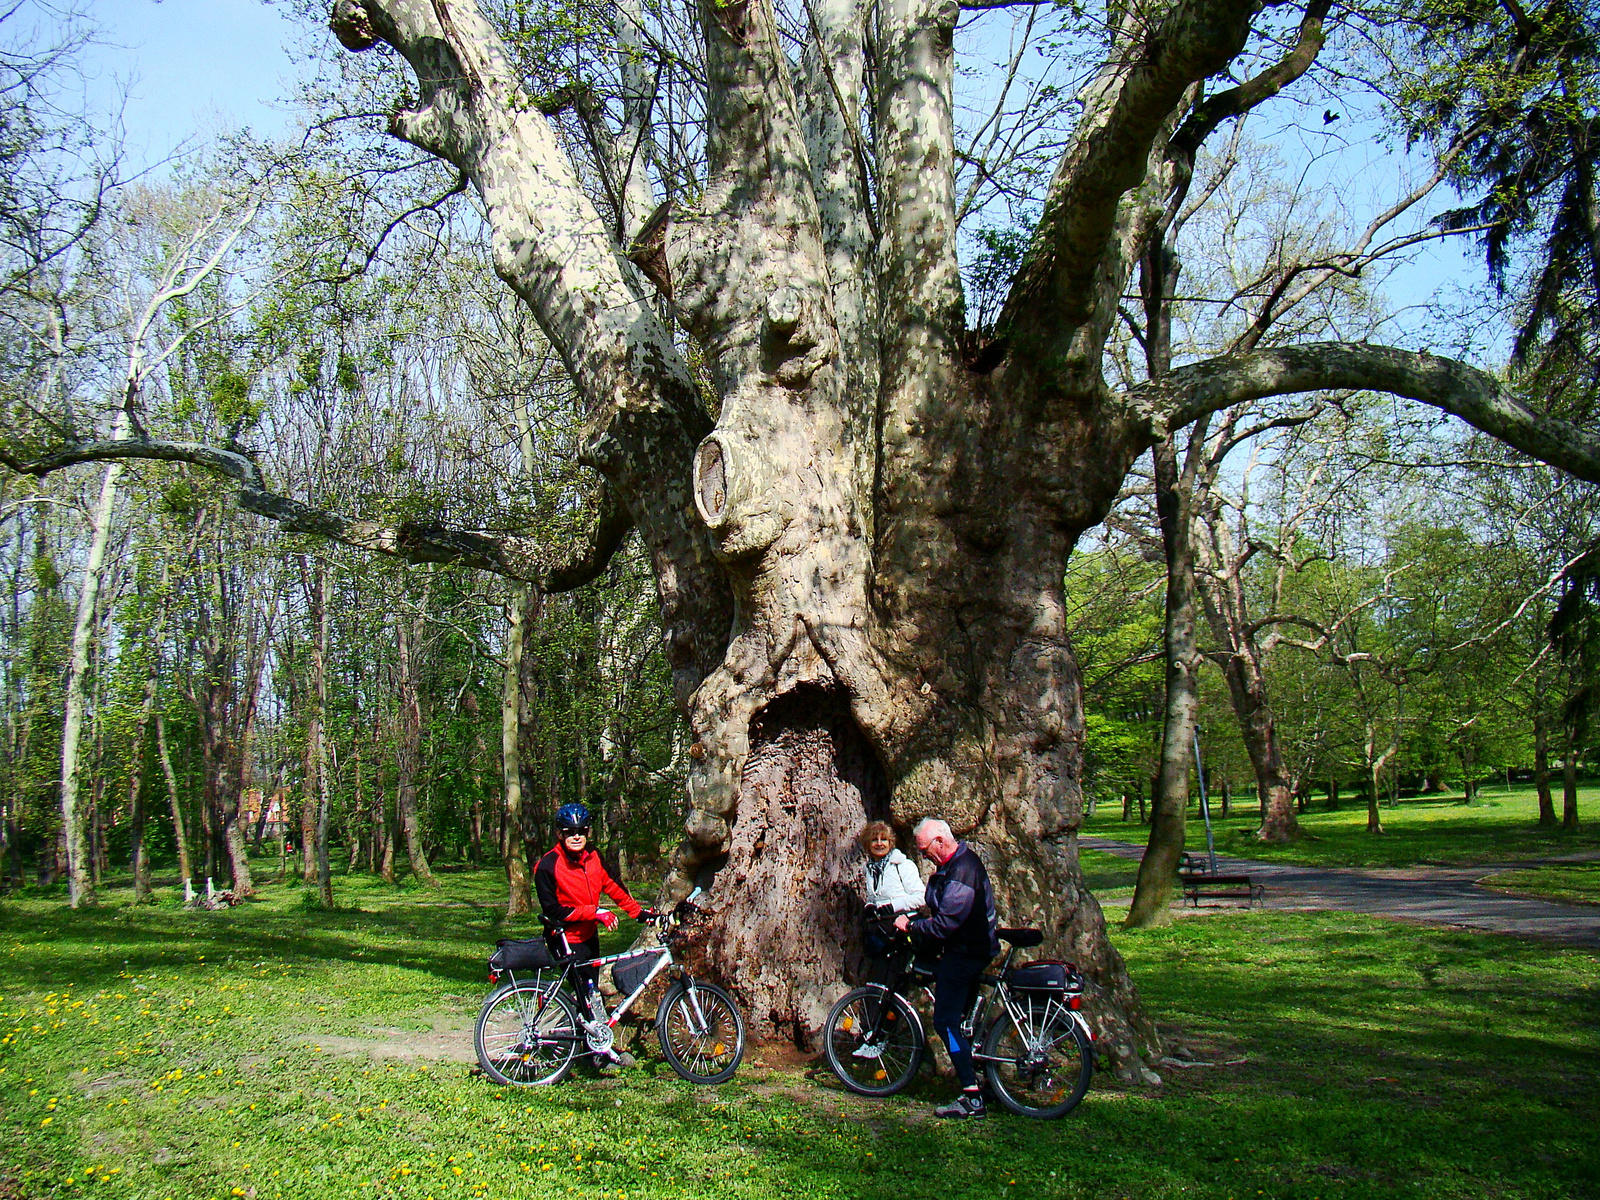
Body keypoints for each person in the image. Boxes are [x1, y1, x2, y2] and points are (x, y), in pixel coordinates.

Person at [894, 817, 1000, 1120]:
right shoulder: (950, 866)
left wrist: (913, 927)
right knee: (962, 1021)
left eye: (926, 849)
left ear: (941, 841)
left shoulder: (963, 869)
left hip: (966, 952)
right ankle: (982, 1080)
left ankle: (971, 1095)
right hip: (964, 949)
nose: (924, 855)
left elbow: (946, 923)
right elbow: (939, 907)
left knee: (946, 1024)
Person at [535, 802, 648, 1030]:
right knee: (586, 995)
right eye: (570, 833)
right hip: (564, 938)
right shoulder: (547, 865)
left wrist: (639, 913)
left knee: (590, 993)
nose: (576, 837)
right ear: (559, 834)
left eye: (581, 832)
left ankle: (590, 1043)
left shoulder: (593, 856)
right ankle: (590, 1050)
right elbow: (553, 911)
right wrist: (594, 912)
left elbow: (613, 886)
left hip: (588, 938)